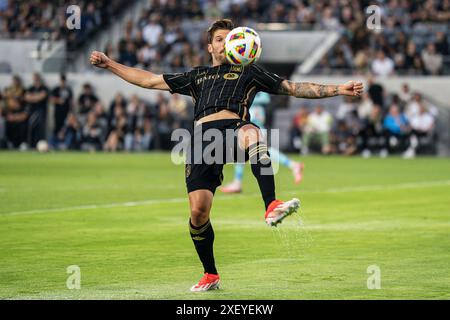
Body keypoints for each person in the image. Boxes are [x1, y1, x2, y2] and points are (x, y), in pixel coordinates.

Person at [90, 19, 363, 292]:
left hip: (233, 129)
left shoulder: (248, 72)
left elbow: (292, 87)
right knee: (198, 212)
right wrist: (110, 64)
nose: (227, 43)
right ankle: (210, 274)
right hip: (202, 141)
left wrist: (338, 89)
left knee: (252, 134)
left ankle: (271, 205)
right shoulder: (197, 76)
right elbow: (149, 80)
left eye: (230, 38)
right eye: (220, 39)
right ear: (210, 46)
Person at [220, 91, 304, 193]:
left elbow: (265, 98)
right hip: (255, 128)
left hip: (253, 129)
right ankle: (293, 165)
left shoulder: (252, 97)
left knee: (242, 153)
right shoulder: (256, 98)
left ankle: (237, 183)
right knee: (259, 152)